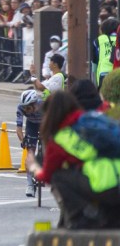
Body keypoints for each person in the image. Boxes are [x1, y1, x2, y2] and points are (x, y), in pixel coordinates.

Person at [33, 89, 120, 229]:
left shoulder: (61, 136)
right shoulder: (91, 119)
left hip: (106, 186)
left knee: (59, 176)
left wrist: (34, 167)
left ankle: (80, 218)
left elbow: (47, 176)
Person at [16, 90, 43, 198]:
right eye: (25, 108)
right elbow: (18, 128)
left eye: (28, 108)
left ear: (35, 103)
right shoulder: (21, 108)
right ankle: (30, 184)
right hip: (31, 125)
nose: (26, 110)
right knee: (30, 153)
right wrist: (23, 141)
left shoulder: (44, 105)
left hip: (45, 122)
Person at [92, 19, 117, 86]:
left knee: (104, 95)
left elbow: (94, 63)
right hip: (118, 72)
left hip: (104, 73)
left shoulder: (98, 40)